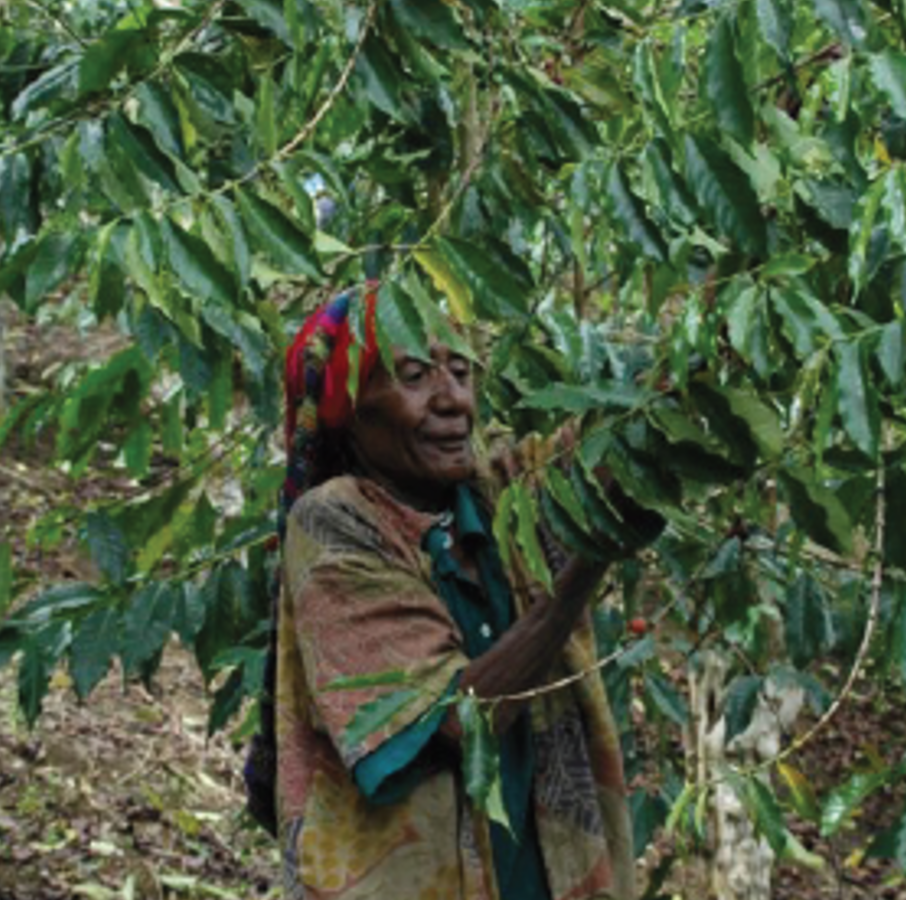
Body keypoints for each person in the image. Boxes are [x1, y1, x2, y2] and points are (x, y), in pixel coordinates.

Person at [265, 286, 661, 899]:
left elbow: (621, 441)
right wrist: (586, 564)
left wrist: (696, 372)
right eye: (414, 376)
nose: (452, 399)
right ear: (351, 407)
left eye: (460, 370)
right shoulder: (334, 523)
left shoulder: (502, 493)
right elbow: (458, 717)